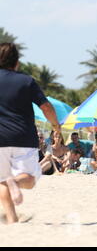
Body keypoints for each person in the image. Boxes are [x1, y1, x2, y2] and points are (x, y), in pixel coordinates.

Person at [0, 43, 60, 224]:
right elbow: (46, 107)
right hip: (23, 136)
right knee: (30, 179)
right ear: (17, 62)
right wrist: (55, 125)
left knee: (2, 180)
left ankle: (11, 218)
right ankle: (15, 188)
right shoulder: (26, 81)